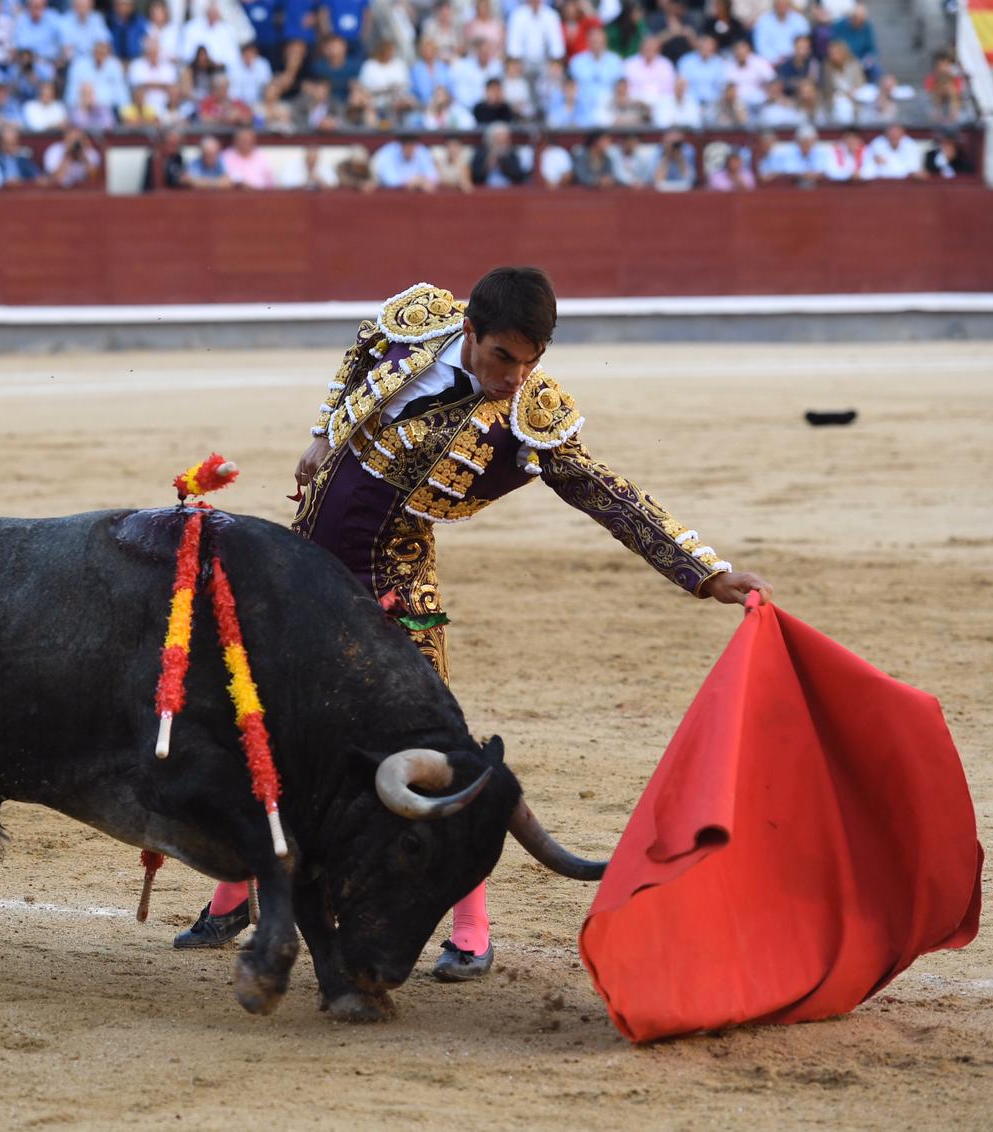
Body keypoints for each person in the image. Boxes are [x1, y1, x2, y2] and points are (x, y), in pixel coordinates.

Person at [172, 268, 772, 976]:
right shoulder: (419, 322)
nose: (514, 378)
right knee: (265, 716)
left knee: (434, 753)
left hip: (392, 585)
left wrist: (704, 570)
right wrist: (324, 435)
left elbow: (604, 493)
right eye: (502, 358)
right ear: (470, 331)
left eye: (530, 362)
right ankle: (234, 893)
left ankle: (472, 928)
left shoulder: (531, 417)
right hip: (304, 564)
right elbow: (362, 356)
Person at [372, 132, 438, 191]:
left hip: (418, 186)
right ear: (400, 145)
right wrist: (411, 182)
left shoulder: (422, 152)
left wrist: (420, 182)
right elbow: (389, 180)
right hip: (392, 192)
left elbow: (433, 176)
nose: (409, 148)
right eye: (406, 144)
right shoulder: (389, 152)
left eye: (412, 144)